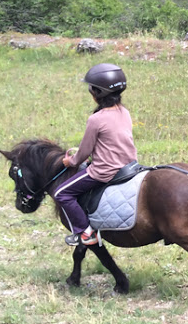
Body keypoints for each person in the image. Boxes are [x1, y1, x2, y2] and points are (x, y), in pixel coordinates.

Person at [54, 63, 137, 246]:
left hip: (104, 171)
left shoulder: (96, 119)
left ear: (97, 93)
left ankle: (85, 234)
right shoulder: (124, 112)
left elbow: (83, 154)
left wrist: (70, 161)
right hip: (129, 165)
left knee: (61, 193)